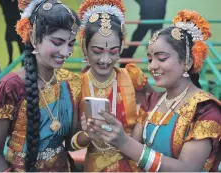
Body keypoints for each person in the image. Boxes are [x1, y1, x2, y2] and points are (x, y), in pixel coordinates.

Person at [87, 9, 221, 172]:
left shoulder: (205, 109)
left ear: (187, 62)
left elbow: (188, 169)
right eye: (150, 59)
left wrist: (123, 141)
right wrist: (105, 133)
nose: (152, 66)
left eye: (161, 58)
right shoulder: (152, 101)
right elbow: (132, 151)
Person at [0, 0, 81, 172]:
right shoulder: (10, 86)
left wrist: (88, 134)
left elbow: (71, 144)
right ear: (34, 38)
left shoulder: (71, 82)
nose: (65, 52)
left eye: (70, 44)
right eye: (57, 42)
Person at [70, 0, 153, 172]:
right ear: (84, 48)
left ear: (122, 46)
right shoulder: (76, 85)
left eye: (113, 51)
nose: (105, 59)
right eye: (97, 51)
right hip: (95, 165)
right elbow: (69, 143)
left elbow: (156, 107)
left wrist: (138, 129)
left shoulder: (132, 76)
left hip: (132, 162)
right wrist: (87, 135)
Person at [120, 0, 167, 68]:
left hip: (155, 16)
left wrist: (143, 4)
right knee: (140, 37)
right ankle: (126, 58)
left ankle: (126, 58)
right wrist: (144, 4)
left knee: (147, 39)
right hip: (151, 16)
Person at [0, 0, 25, 65]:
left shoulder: (16, 2)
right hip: (10, 23)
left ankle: (23, 62)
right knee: (8, 40)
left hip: (17, 24)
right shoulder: (5, 3)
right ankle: (10, 59)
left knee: (20, 44)